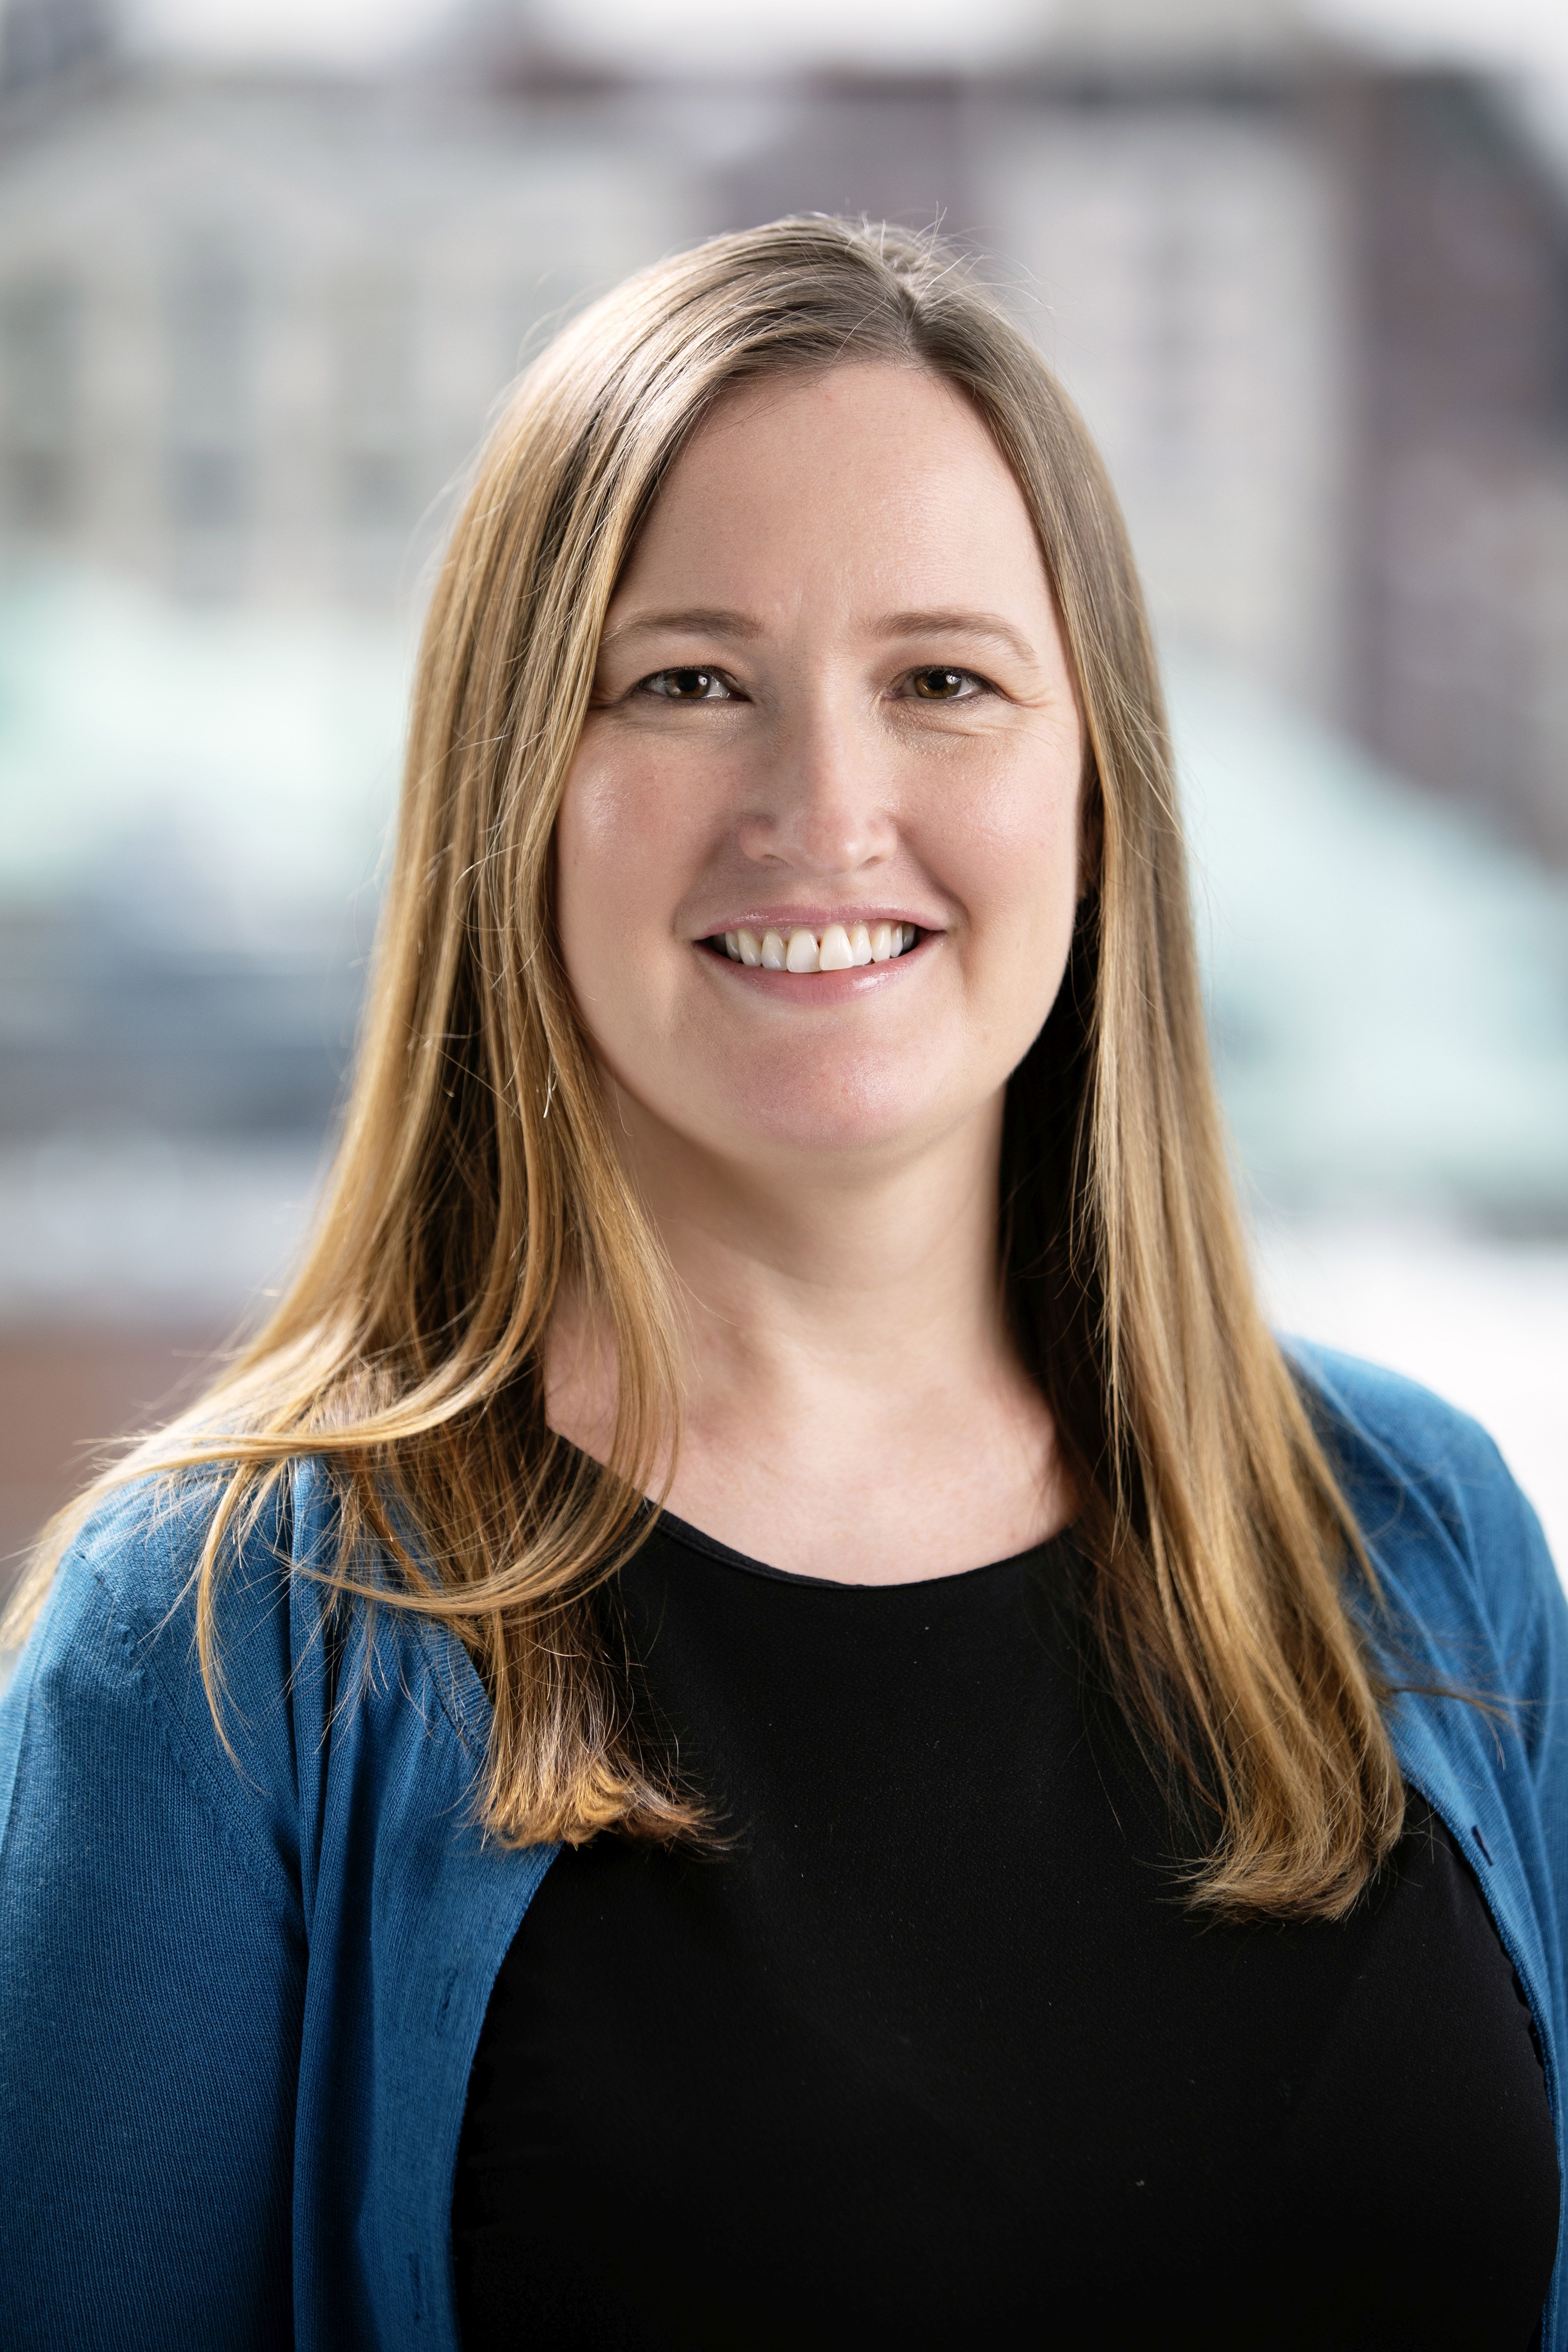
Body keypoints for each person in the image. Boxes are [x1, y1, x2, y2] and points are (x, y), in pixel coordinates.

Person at [0, 217, 1563, 2352]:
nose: (826, 809)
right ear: (512, 797)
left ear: (1095, 792)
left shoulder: (1424, 1533)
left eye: (944, 682)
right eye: (687, 683)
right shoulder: (216, 1649)